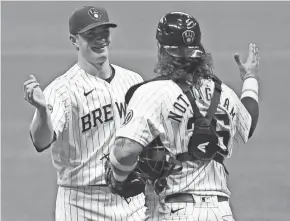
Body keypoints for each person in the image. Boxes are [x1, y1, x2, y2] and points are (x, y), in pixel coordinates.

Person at [106, 12, 260, 221]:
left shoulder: (153, 92)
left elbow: (125, 151)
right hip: (222, 213)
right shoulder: (225, 93)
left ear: (161, 49)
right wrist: (250, 78)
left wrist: (118, 177)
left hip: (175, 212)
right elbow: (248, 123)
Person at [23, 5, 146, 221]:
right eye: (91, 35)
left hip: (132, 201)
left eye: (104, 33)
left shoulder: (133, 81)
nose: (100, 40)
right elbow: (40, 141)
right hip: (81, 204)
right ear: (74, 41)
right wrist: (42, 110)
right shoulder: (62, 90)